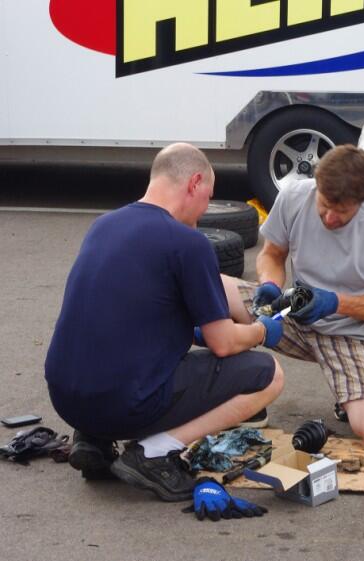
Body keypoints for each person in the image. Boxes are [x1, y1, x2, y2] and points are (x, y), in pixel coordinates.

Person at [45, 143, 285, 502]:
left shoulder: (104, 225)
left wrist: (186, 331)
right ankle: (154, 453)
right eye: (209, 196)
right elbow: (224, 343)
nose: (206, 209)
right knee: (269, 374)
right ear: (195, 183)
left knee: (116, 358)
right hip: (124, 403)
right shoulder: (189, 243)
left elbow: (122, 313)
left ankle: (93, 438)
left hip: (65, 398)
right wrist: (263, 330)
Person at [221, 144, 364, 451]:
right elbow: (272, 253)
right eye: (324, 205)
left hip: (353, 334)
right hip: (292, 308)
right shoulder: (295, 196)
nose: (329, 218)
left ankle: (362, 395)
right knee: (210, 287)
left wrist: (336, 303)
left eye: (342, 212)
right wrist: (270, 285)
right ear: (318, 186)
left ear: (363, 202)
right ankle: (234, 390)